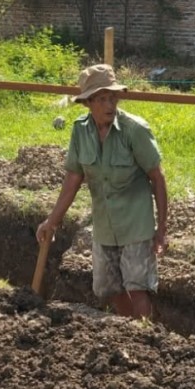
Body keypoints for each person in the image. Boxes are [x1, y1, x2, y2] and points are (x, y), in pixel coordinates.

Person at [36, 63, 168, 319]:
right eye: (102, 99)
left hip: (136, 224)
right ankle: (126, 330)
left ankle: (146, 338)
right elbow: (73, 178)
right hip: (105, 225)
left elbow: (158, 178)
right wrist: (52, 221)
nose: (110, 105)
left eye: (112, 98)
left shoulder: (135, 130)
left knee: (137, 288)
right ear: (88, 103)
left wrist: (161, 230)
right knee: (111, 288)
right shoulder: (80, 130)